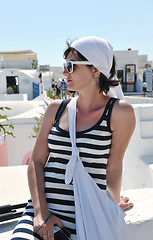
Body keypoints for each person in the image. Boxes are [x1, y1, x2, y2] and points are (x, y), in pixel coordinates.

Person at [11, 36, 135, 240]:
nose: (64, 72)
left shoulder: (120, 112)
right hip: (42, 210)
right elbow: (37, 161)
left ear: (95, 69)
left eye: (71, 65)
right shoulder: (55, 109)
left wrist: (110, 205)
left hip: (84, 216)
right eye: (64, 65)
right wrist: (40, 212)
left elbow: (113, 167)